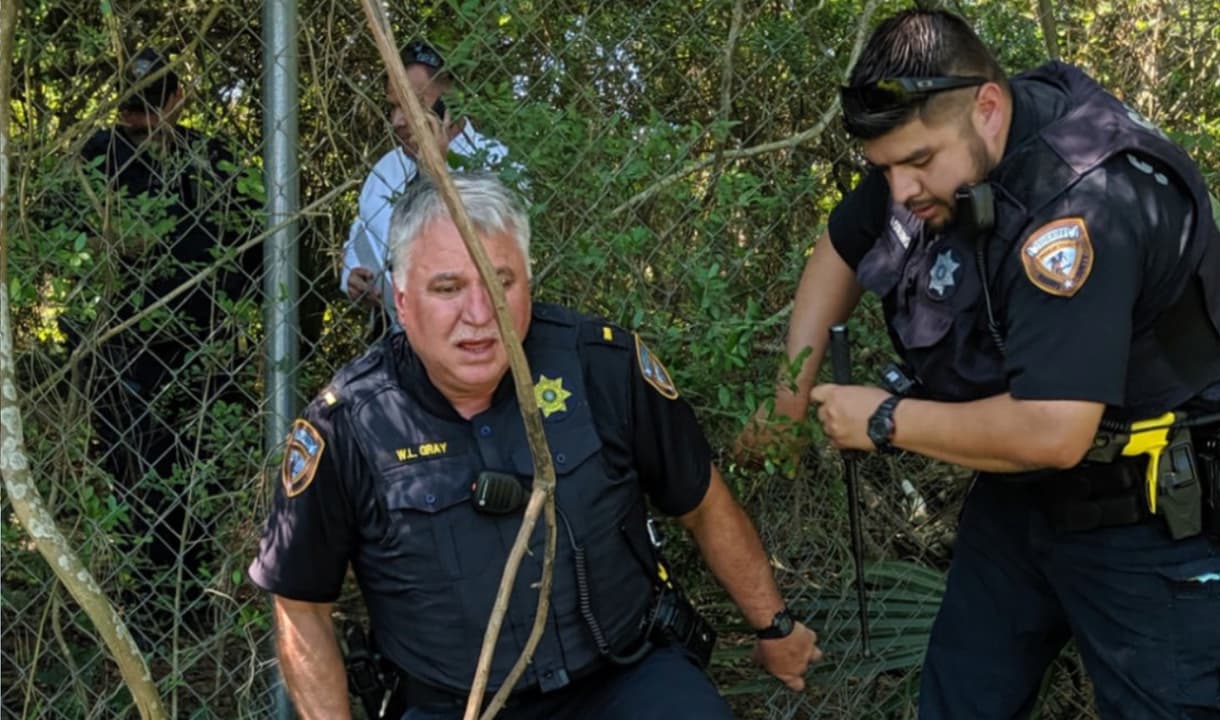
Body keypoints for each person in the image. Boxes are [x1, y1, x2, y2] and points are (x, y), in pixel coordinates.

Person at [741, 9, 1220, 719]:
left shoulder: (1082, 205)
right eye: (885, 168)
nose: (899, 190)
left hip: (1158, 518)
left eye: (918, 162)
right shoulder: (936, 147)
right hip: (1020, 503)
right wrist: (789, 396)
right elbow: (841, 246)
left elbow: (1055, 430)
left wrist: (886, 419)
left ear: (988, 108)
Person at [252, 173, 821, 719]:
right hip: (457, 704)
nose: (480, 316)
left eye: (500, 283)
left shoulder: (602, 367)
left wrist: (774, 627)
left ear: (528, 281)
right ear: (401, 302)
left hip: (624, 677)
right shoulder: (349, 426)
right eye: (448, 288)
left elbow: (702, 502)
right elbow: (301, 606)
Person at [76, 48, 261, 626]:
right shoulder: (97, 155)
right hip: (124, 347)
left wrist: (228, 308)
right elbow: (68, 244)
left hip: (200, 347)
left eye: (153, 101)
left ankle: (189, 601)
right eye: (136, 105)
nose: (143, 118)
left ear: (177, 99)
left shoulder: (208, 157)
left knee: (193, 474)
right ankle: (150, 606)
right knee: (134, 478)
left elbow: (253, 244)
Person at [341, 39, 510, 331]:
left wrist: (437, 174)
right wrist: (351, 276)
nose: (397, 121)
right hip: (395, 339)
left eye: (413, 105)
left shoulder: (497, 164)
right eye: (393, 106)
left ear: (450, 103)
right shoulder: (386, 169)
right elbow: (359, 237)